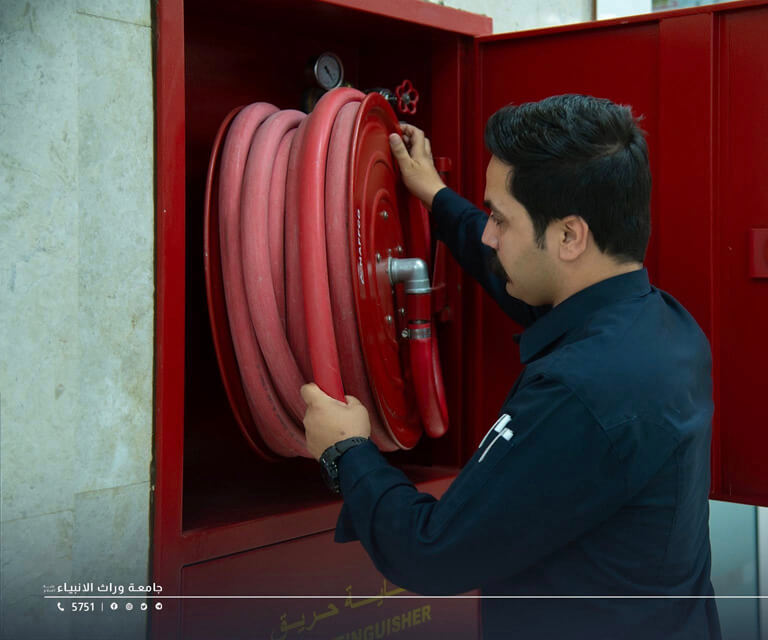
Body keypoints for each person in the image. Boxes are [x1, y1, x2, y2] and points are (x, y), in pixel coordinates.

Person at [300, 94, 721, 639]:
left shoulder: (579, 394)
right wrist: (436, 197)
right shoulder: (666, 327)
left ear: (569, 236)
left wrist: (346, 451)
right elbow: (514, 274)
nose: (489, 235)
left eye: (500, 217)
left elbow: (430, 551)